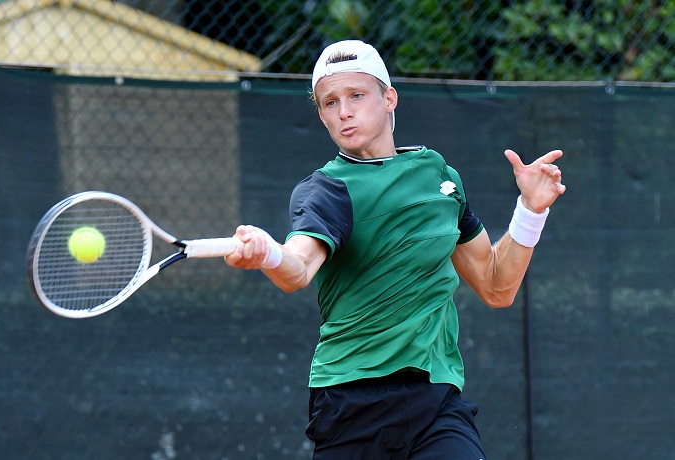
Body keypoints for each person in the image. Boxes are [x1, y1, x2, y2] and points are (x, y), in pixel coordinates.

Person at [224, 40, 565, 459]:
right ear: (321, 115)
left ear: (389, 98)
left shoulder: (439, 175)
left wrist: (530, 210)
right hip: (350, 401)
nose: (343, 111)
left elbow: (497, 286)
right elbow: (297, 268)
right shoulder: (327, 190)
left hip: (435, 399)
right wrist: (269, 255)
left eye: (356, 95)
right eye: (329, 102)